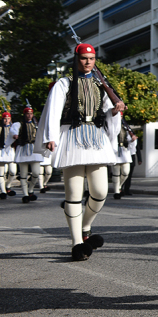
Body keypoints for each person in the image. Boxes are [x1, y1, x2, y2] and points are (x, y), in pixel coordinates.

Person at [35, 43, 124, 261]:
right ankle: (76, 243)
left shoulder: (99, 84)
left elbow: (105, 113)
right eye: (84, 58)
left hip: (95, 138)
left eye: (91, 59)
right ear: (76, 60)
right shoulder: (63, 83)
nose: (87, 62)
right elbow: (53, 111)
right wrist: (50, 137)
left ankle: (85, 226)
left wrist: (115, 110)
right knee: (73, 194)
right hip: (72, 137)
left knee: (101, 191)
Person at [12, 104, 43, 203]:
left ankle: (30, 189)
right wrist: (15, 135)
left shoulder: (36, 124)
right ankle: (25, 194)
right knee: (24, 174)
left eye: (31, 113)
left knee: (36, 173)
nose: (29, 115)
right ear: (24, 114)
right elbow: (14, 131)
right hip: (23, 149)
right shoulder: (19, 124)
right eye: (27, 113)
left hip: (34, 149)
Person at [112, 118, 137, 199]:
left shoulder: (126, 126)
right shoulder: (112, 124)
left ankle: (119, 186)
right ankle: (116, 192)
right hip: (115, 150)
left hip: (124, 150)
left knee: (126, 172)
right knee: (116, 173)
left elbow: (130, 139)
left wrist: (132, 139)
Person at [0, 111, 17, 199]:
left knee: (13, 172)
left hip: (11, 151)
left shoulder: (13, 128)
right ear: (2, 119)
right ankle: (3, 191)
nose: (6, 120)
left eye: (8, 119)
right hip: (1, 151)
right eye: (5, 119)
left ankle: (7, 185)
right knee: (1, 173)